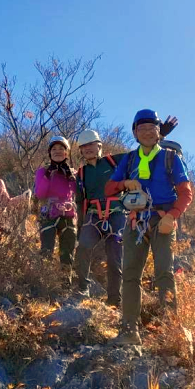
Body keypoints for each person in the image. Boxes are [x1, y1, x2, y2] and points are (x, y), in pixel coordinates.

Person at [104, 109, 193, 345]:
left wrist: (172, 216)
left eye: (151, 128)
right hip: (135, 220)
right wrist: (125, 182)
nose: (146, 132)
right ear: (134, 132)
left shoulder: (171, 158)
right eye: (140, 128)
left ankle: (170, 334)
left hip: (163, 218)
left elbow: (185, 193)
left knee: (164, 273)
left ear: (158, 132)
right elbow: (109, 189)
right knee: (130, 275)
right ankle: (129, 331)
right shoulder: (130, 159)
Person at [74, 129, 126, 307]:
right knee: (83, 247)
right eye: (84, 146)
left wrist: (160, 137)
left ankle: (114, 300)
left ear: (99, 146)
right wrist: (79, 227)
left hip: (117, 213)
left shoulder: (114, 161)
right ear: (80, 150)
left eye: (91, 144)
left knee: (115, 257)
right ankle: (83, 288)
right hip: (93, 215)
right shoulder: (81, 174)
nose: (88, 148)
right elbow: (80, 202)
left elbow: (140, 156)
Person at [34, 137, 77, 268]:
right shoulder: (42, 171)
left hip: (68, 215)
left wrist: (71, 178)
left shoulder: (73, 173)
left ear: (66, 152)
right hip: (49, 214)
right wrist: (48, 175)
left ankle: (65, 283)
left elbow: (79, 194)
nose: (57, 151)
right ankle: (44, 281)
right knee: (46, 250)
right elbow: (40, 194)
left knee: (67, 252)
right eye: (54, 149)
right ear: (49, 153)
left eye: (61, 148)